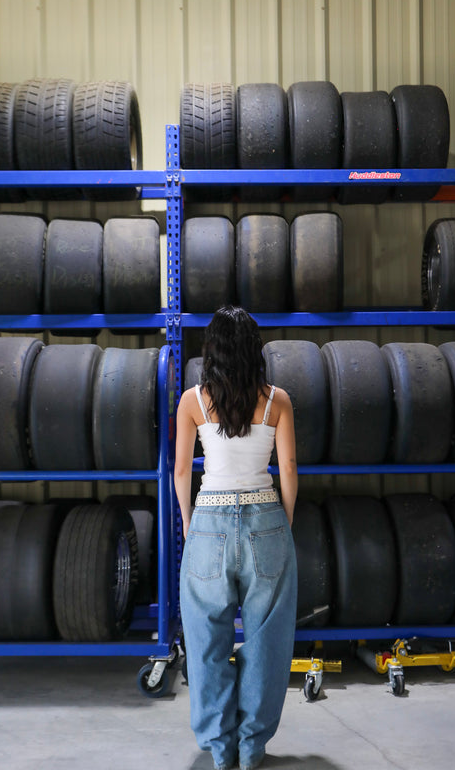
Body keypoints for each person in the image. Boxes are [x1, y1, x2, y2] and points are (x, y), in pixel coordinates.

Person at [174, 305, 298, 770]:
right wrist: (283, 523)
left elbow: (181, 471)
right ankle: (251, 747)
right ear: (254, 351)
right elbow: (288, 470)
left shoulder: (192, 401)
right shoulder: (277, 401)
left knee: (206, 639)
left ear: (212, 351)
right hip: (266, 519)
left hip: (209, 519)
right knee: (267, 639)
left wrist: (189, 524)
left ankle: (219, 747)